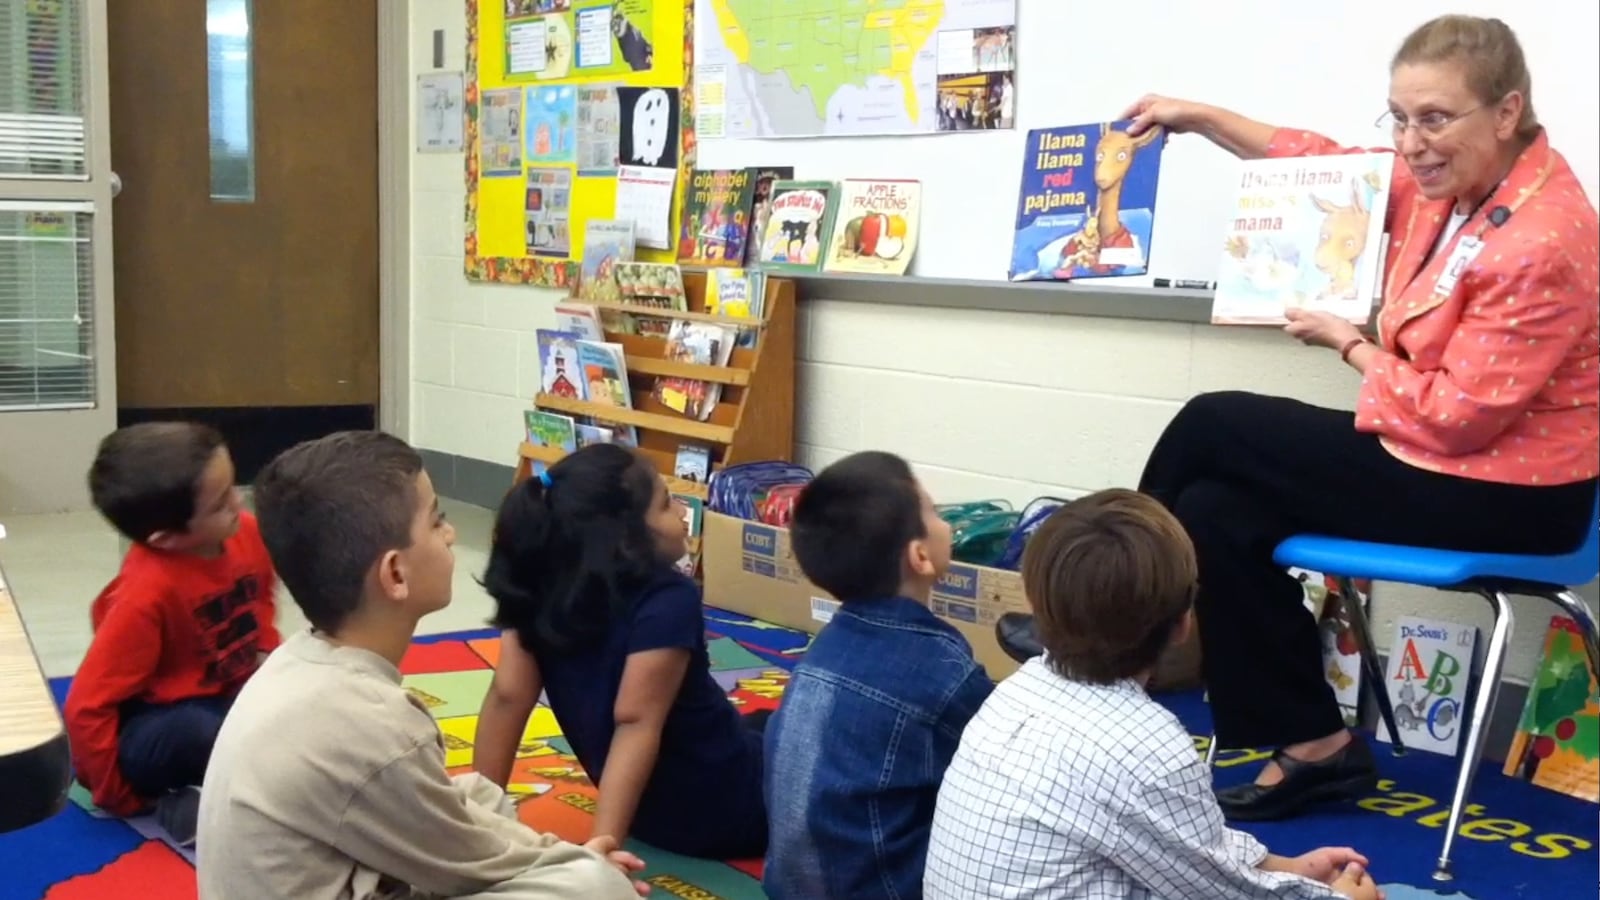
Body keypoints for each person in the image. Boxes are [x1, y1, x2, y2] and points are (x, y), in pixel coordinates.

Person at [1001, 14, 1598, 822]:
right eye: (1399, 116)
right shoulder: (1454, 185)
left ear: (1504, 111)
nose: (1413, 142)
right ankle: (1317, 744)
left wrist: (1348, 345)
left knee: (1213, 422)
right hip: (1439, 458)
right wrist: (1201, 118)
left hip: (1508, 494)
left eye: (1434, 118)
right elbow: (1318, 164)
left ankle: (1097, 628)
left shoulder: (1542, 238)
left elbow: (1459, 418)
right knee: (1216, 511)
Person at [196, 432, 645, 900]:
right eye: (437, 521)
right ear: (395, 574)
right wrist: (580, 862)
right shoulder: (372, 722)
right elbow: (480, 860)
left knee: (481, 795)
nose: (451, 533)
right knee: (595, 887)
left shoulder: (296, 663)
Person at [925, 490, 1384, 900]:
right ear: (1184, 624)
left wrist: (1288, 869)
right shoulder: (1146, 743)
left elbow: (1187, 845)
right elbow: (1220, 890)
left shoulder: (1014, 691)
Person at [474, 443, 767, 859]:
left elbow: (508, 698)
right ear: (626, 533)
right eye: (667, 504)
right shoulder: (669, 598)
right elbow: (635, 723)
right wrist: (602, 849)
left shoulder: (540, 588)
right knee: (809, 725)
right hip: (732, 811)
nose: (683, 513)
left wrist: (477, 820)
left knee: (762, 724)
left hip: (648, 817)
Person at [762, 452, 993, 900]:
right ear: (920, 556)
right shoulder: (943, 671)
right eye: (933, 510)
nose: (944, 517)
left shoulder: (822, 649)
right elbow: (1003, 768)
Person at [62, 422, 278, 845]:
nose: (239, 502)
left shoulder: (247, 534)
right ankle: (179, 802)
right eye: (220, 504)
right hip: (157, 728)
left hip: (224, 694)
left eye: (234, 486)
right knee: (204, 732)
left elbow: (258, 603)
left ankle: (224, 789)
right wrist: (120, 797)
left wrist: (269, 657)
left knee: (304, 690)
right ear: (165, 539)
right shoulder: (144, 596)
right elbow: (88, 707)